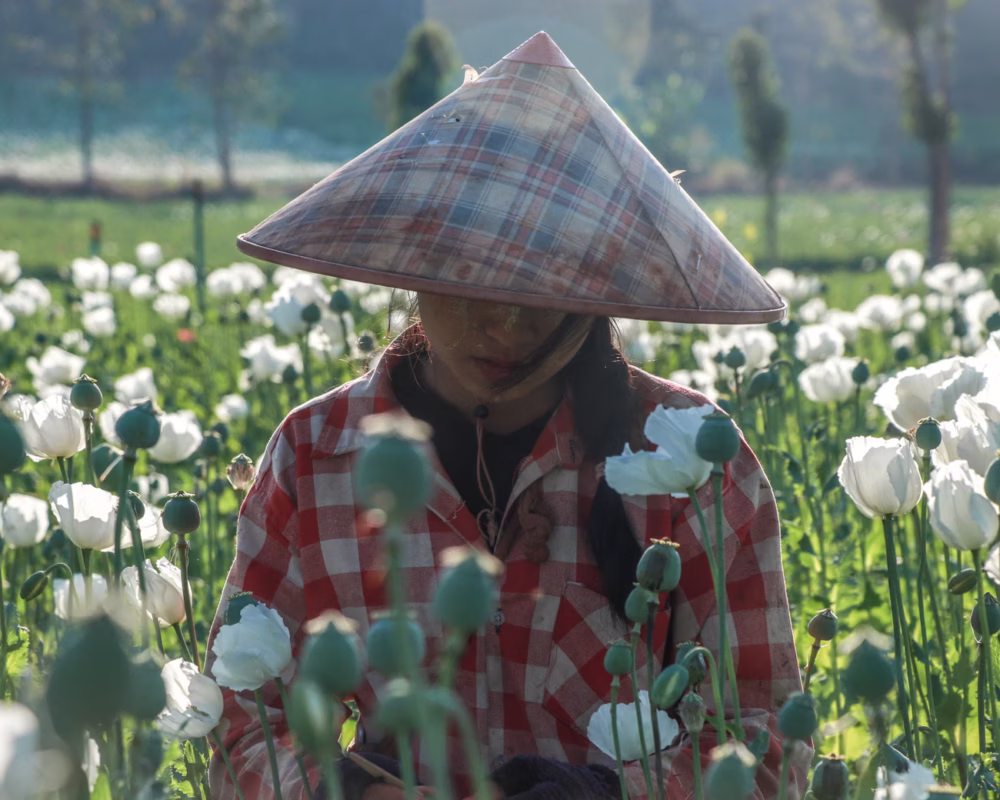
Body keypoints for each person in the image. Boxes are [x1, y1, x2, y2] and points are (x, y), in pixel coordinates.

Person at [205, 32, 804, 800]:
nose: (507, 327)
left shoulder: (693, 460)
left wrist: (603, 794)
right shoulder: (317, 456)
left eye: (545, 290)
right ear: (411, 265)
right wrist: (342, 791)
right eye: (473, 283)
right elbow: (240, 721)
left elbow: (766, 734)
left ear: (599, 287)